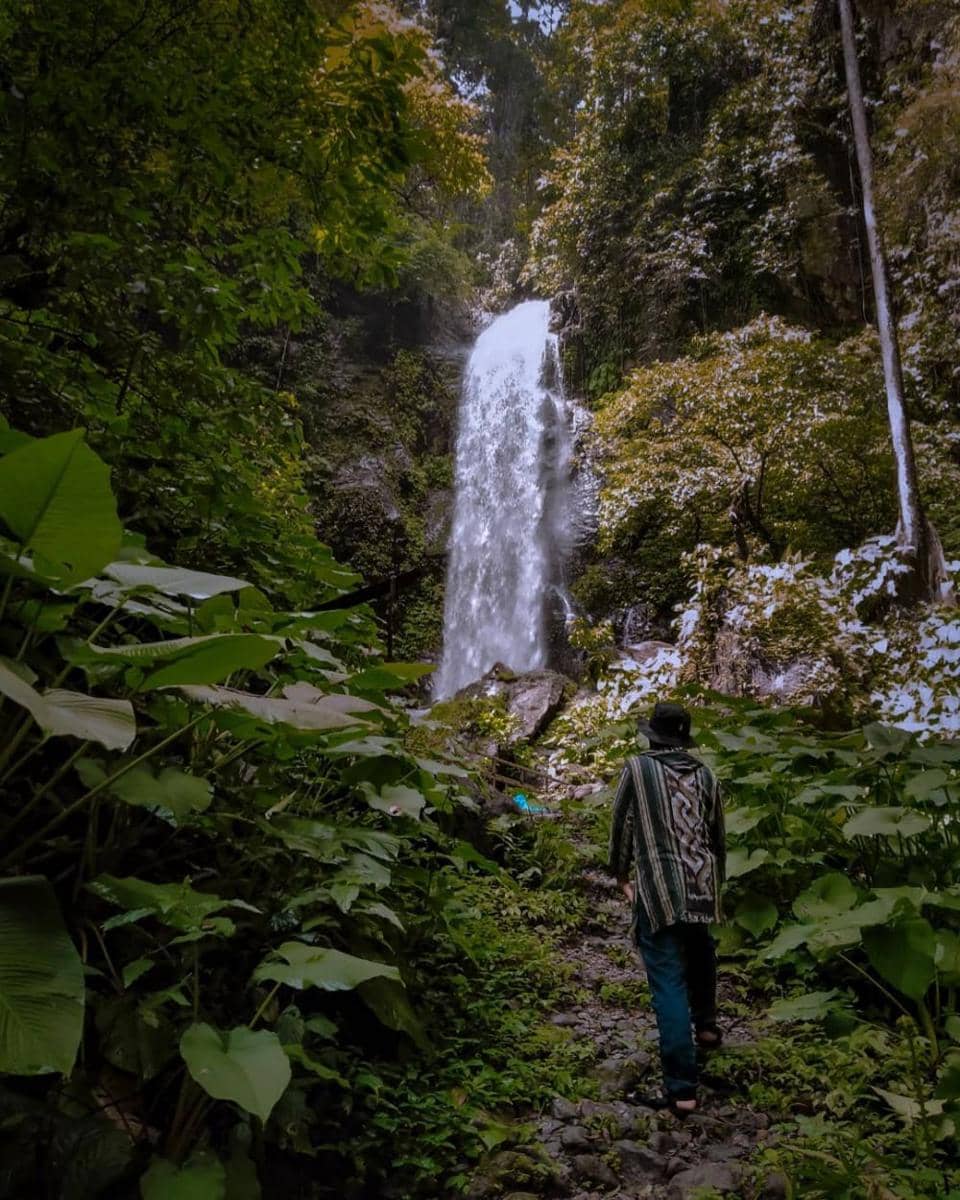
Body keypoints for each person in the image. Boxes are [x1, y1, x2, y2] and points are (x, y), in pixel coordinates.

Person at [607, 701, 725, 1116]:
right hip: (700, 882)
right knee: (700, 950)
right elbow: (716, 835)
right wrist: (716, 886)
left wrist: (621, 875)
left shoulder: (638, 770)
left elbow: (622, 824)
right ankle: (707, 1027)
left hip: (658, 887)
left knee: (667, 981)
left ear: (652, 736)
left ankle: (681, 1089)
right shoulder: (707, 776)